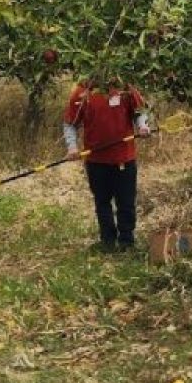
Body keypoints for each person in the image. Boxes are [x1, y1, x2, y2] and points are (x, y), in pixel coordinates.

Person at [63, 73, 151, 252]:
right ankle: (107, 240)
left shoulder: (125, 87)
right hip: (96, 160)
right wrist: (72, 147)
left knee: (126, 202)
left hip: (124, 158)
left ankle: (127, 241)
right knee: (102, 201)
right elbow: (70, 123)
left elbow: (139, 111)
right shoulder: (82, 91)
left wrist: (142, 125)